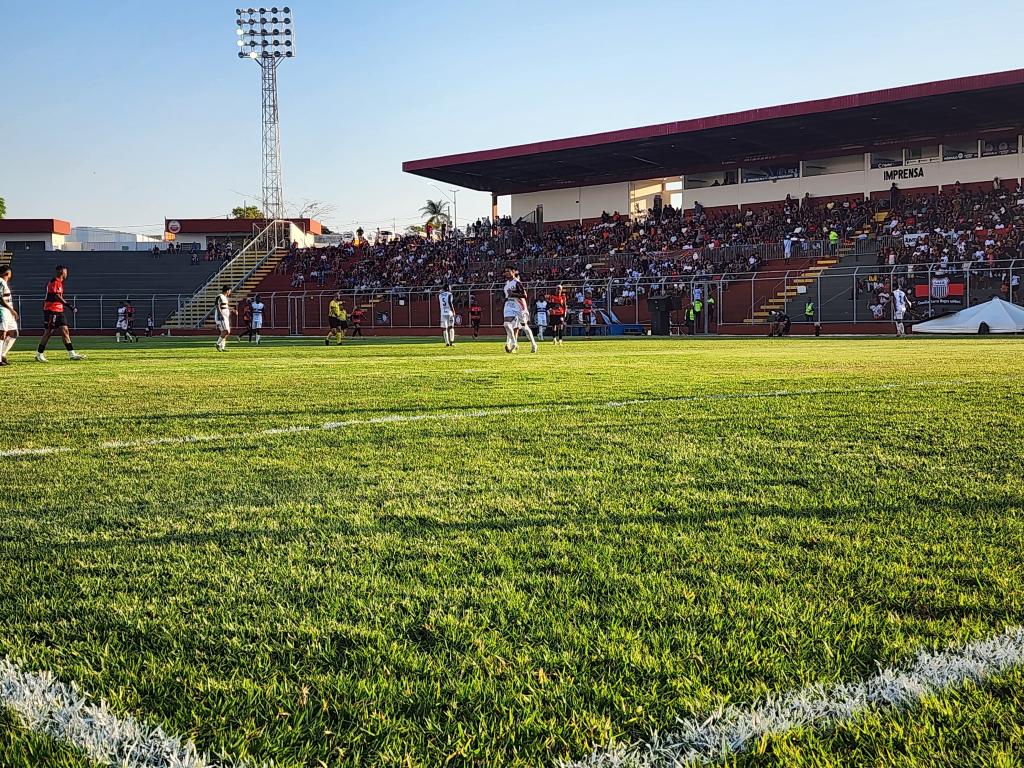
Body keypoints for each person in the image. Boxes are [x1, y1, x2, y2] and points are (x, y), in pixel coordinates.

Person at [36, 265, 85, 363]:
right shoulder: (55, 282)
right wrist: (69, 306)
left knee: (65, 331)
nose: (67, 274)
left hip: (59, 310)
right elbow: (56, 296)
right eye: (66, 272)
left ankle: (72, 354)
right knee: (48, 332)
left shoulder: (59, 283)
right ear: (62, 272)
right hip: (51, 310)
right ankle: (39, 354)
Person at [502, 267, 537, 354]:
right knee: (506, 324)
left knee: (524, 327)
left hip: (519, 306)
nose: (507, 273)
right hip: (509, 305)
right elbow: (507, 295)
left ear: (513, 272)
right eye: (505, 271)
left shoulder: (517, 283)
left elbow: (524, 295)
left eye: (508, 271)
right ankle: (514, 343)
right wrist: (505, 299)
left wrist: (513, 294)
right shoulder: (507, 283)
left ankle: (533, 344)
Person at [0, 265, 19, 366]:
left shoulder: (4, 283)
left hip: (8, 311)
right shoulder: (0, 281)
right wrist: (11, 309)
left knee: (14, 333)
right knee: (2, 333)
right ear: (7, 273)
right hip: (2, 310)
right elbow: (0, 298)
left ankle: (2, 355)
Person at [215, 286, 232, 352]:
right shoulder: (220, 296)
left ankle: (222, 347)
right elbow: (217, 305)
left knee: (226, 332)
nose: (230, 292)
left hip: (225, 317)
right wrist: (220, 314)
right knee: (226, 331)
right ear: (227, 290)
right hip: (221, 317)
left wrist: (232, 310)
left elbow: (225, 307)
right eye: (230, 291)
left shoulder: (225, 298)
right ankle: (217, 344)